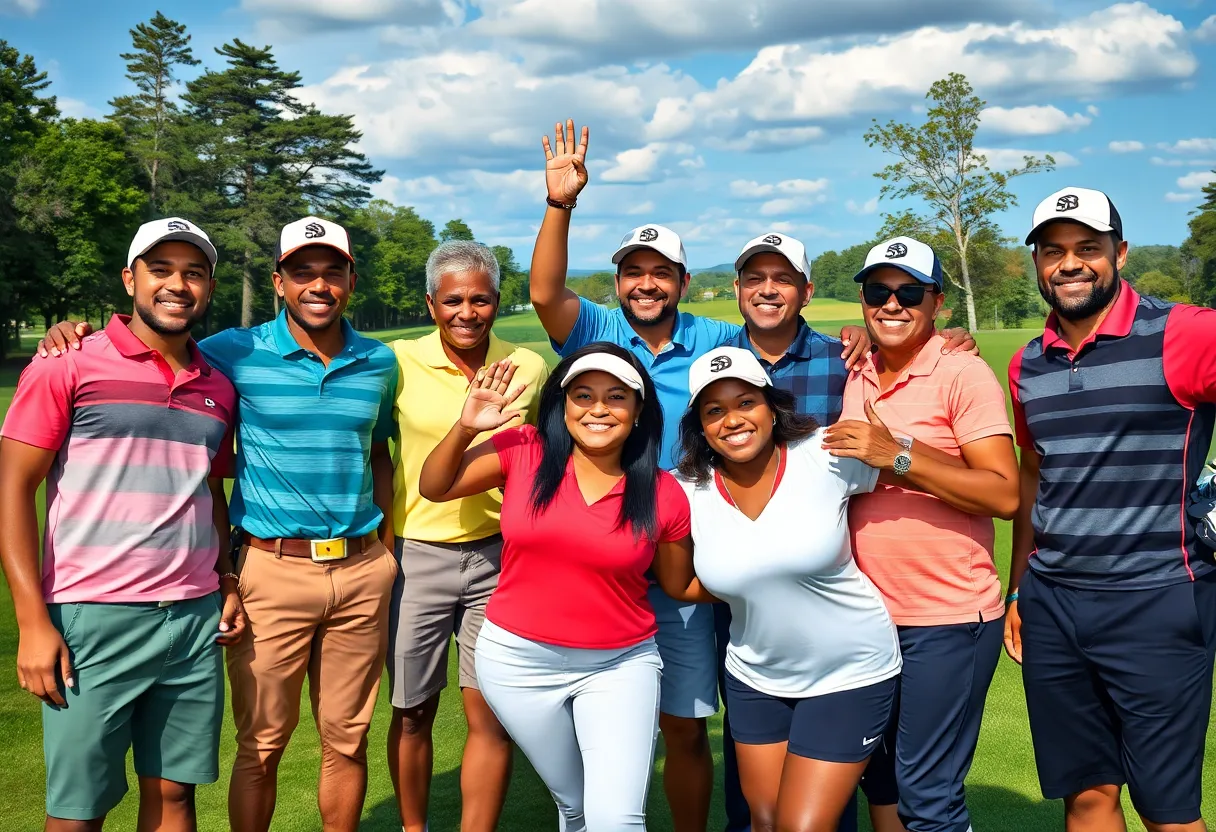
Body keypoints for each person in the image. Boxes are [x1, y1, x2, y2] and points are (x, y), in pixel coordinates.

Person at [528, 119, 878, 832]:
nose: (646, 282)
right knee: (605, 722)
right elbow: (542, 292)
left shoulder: (717, 339)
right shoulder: (595, 328)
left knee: (694, 719)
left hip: (697, 548)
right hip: (610, 551)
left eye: (661, 272)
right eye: (634, 270)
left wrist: (870, 333)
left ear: (684, 283)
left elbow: (775, 337)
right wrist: (560, 205)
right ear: (618, 280)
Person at [37, 215, 400, 832]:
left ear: (350, 281)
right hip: (270, 568)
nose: (318, 285)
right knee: (260, 746)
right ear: (279, 281)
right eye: (302, 272)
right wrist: (71, 333)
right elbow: (155, 342)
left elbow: (378, 456)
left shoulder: (379, 362)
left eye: (331, 272)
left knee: (348, 738)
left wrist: (385, 550)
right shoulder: (233, 352)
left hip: (362, 571)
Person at [726, 231, 978, 832]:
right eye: (878, 293)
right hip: (738, 588)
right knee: (760, 788)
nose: (767, 290)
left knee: (875, 778)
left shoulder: (846, 360)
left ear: (808, 291)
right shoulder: (710, 350)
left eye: (783, 278)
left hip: (838, 592)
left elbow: (905, 360)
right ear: (736, 290)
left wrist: (939, 344)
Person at [0, 218, 245, 831]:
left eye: (193, 273)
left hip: (192, 619)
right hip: (93, 617)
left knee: (175, 798)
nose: (177, 285)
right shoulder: (67, 365)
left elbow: (207, 489)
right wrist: (32, 623)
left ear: (210, 286)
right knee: (80, 807)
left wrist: (225, 579)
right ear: (129, 278)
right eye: (160, 270)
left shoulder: (216, 384)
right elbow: (13, 490)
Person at [1006, 188, 1216, 832]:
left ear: (1119, 253)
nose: (1070, 264)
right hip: (1054, 602)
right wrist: (1019, 588)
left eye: (1088, 248)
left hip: (1158, 599)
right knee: (1087, 795)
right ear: (1037, 264)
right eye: (1054, 252)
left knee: (1167, 810)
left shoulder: (1186, 331)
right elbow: (1034, 477)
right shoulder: (1026, 364)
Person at [417, 344, 692, 831]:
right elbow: (435, 486)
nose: (598, 409)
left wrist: (759, 581)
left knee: (615, 819)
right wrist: (464, 428)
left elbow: (678, 582)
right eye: (583, 395)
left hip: (620, 665)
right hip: (517, 663)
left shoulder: (663, 491)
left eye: (616, 397)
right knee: (577, 806)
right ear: (561, 404)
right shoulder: (524, 449)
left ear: (638, 410)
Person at [655, 345, 901, 832]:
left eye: (746, 403)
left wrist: (900, 451)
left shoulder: (825, 454)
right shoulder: (684, 488)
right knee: (765, 823)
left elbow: (923, 474)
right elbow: (680, 583)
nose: (732, 420)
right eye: (714, 411)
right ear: (699, 427)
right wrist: (757, 582)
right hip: (756, 679)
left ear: (772, 407)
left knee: (800, 826)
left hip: (850, 672)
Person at [822, 236, 1020, 832]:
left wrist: (898, 454)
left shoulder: (963, 372)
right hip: (866, 618)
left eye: (909, 291)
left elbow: (1004, 493)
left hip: (947, 619)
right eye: (878, 291)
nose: (892, 303)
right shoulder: (853, 367)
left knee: (928, 793)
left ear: (938, 304)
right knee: (879, 779)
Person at [386, 240, 549, 832]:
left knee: (491, 712)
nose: (467, 312)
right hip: (416, 558)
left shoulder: (527, 366)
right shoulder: (398, 361)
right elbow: (380, 453)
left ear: (497, 303)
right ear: (431, 304)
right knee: (411, 711)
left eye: (480, 300)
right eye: (453, 300)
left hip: (498, 559)